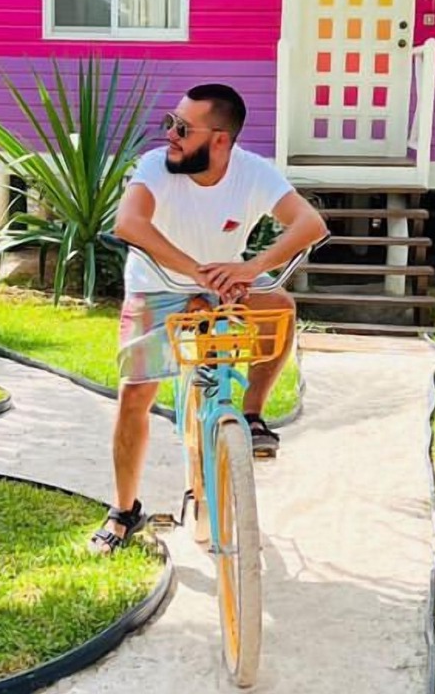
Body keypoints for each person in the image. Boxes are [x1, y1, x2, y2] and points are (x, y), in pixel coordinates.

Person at [89, 83, 329, 554]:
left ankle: (253, 414)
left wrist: (253, 267)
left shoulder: (253, 173)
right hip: (158, 286)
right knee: (134, 397)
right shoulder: (156, 167)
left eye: (182, 128)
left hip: (227, 287)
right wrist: (197, 271)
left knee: (279, 307)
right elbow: (129, 224)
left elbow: (310, 225)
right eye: (170, 124)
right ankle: (123, 511)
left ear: (220, 139)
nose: (170, 136)